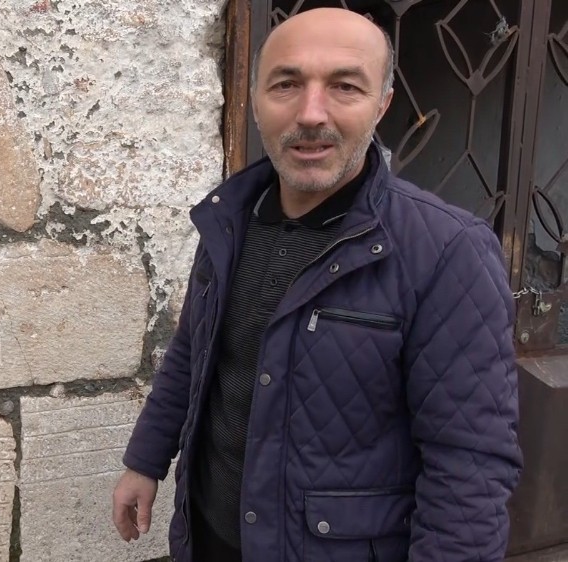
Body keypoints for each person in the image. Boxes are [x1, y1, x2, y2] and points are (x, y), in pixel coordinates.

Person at [111, 7, 522, 562]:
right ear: (255, 99)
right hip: (208, 539)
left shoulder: (448, 251)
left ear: (383, 104)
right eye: (286, 84)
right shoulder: (229, 220)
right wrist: (145, 460)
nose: (310, 113)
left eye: (345, 86)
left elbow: (469, 466)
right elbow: (193, 351)